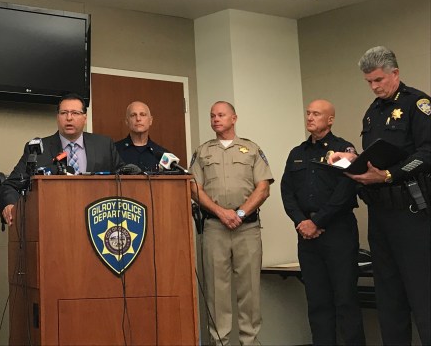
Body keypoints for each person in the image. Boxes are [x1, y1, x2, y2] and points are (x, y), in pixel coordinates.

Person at [330, 46, 430, 345]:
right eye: (369, 82)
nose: (374, 87)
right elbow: (376, 157)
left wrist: (388, 175)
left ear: (395, 73)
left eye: (378, 80)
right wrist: (351, 160)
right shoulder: (373, 113)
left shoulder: (418, 103)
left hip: (411, 212)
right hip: (380, 215)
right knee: (389, 296)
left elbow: (427, 153)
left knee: (422, 294)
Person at [280, 100, 365, 345]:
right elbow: (287, 192)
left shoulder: (342, 150)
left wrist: (317, 221)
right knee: (317, 302)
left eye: (316, 114)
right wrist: (302, 222)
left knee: (345, 300)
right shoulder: (297, 153)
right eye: (308, 113)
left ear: (330, 120)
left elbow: (346, 190)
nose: (310, 117)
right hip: (306, 235)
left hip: (337, 232)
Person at [189, 101, 274, 346]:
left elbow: (263, 187)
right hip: (215, 227)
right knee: (216, 291)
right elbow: (195, 189)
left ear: (234, 118)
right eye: (212, 115)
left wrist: (239, 213)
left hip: (246, 228)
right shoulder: (203, 152)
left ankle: (250, 341)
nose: (216, 119)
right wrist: (221, 212)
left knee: (250, 290)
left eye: (221, 115)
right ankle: (220, 342)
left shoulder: (251, 149)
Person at [0, 92, 123, 225]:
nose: (69, 118)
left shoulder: (103, 145)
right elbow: (11, 185)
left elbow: (124, 178)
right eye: (64, 113)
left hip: (98, 220)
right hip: (54, 221)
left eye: (75, 113)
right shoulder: (39, 148)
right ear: (57, 117)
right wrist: (10, 205)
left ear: (85, 118)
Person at [115, 101, 170, 172]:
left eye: (143, 115)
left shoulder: (164, 155)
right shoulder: (114, 151)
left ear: (150, 120)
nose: (138, 119)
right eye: (133, 115)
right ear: (127, 121)